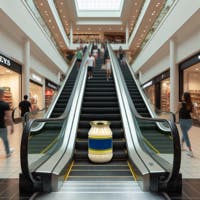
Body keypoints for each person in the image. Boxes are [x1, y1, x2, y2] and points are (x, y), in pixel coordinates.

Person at [178, 92, 193, 157]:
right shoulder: (190, 104)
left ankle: (190, 150)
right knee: (185, 134)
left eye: (182, 95)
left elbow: (177, 110)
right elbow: (193, 113)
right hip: (190, 122)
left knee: (185, 135)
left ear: (184, 97)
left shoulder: (180, 103)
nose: (181, 96)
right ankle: (181, 145)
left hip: (182, 121)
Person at [0, 88, 14, 157]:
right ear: (2, 94)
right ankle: (8, 152)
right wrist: (12, 126)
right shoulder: (5, 105)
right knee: (5, 140)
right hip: (2, 126)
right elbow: (9, 117)